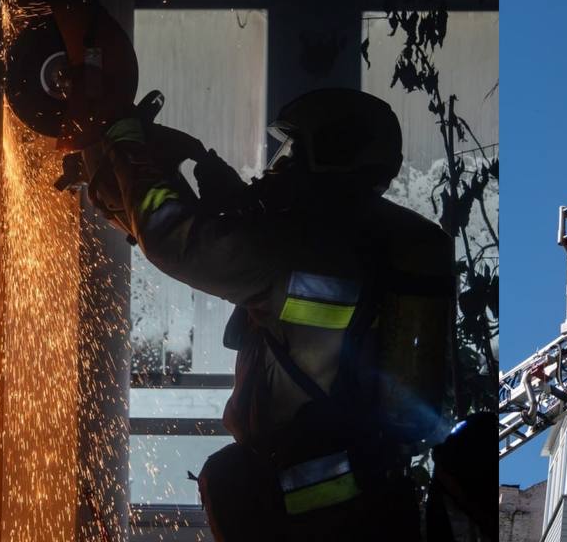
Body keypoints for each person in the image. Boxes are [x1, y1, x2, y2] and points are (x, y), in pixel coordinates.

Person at [87, 88, 455, 542]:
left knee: (231, 478)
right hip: (359, 497)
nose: (280, 163)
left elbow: (175, 239)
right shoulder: (367, 244)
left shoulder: (300, 252)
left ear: (330, 155)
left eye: (293, 150)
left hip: (302, 510)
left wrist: (125, 142)